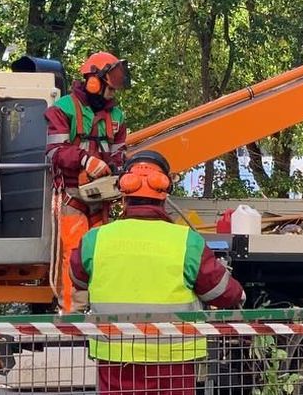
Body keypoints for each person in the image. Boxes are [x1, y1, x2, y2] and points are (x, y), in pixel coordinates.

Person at [70, 150, 245, 395]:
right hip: (173, 362)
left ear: (123, 195)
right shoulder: (187, 242)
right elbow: (221, 292)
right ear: (164, 196)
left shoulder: (95, 239)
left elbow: (78, 276)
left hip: (116, 359)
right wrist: (240, 295)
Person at [46, 51, 131, 311]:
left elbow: (119, 152)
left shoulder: (116, 116)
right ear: (94, 81)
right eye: (111, 80)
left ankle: (98, 309)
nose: (114, 89)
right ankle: (72, 314)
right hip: (71, 193)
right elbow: (54, 151)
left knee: (100, 253)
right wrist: (85, 160)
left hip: (101, 195)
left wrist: (117, 168)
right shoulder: (63, 109)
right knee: (74, 251)